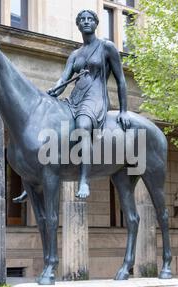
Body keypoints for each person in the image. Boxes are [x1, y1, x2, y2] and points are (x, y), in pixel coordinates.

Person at [47, 9, 131, 199]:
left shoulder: (106, 47)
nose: (86, 22)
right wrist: (53, 91)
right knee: (55, 127)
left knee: (82, 126)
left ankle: (83, 179)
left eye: (90, 19)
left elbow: (121, 80)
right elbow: (63, 79)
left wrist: (124, 110)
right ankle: (37, 177)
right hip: (75, 98)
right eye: (82, 20)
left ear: (95, 23)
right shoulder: (75, 54)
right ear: (78, 25)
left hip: (96, 97)